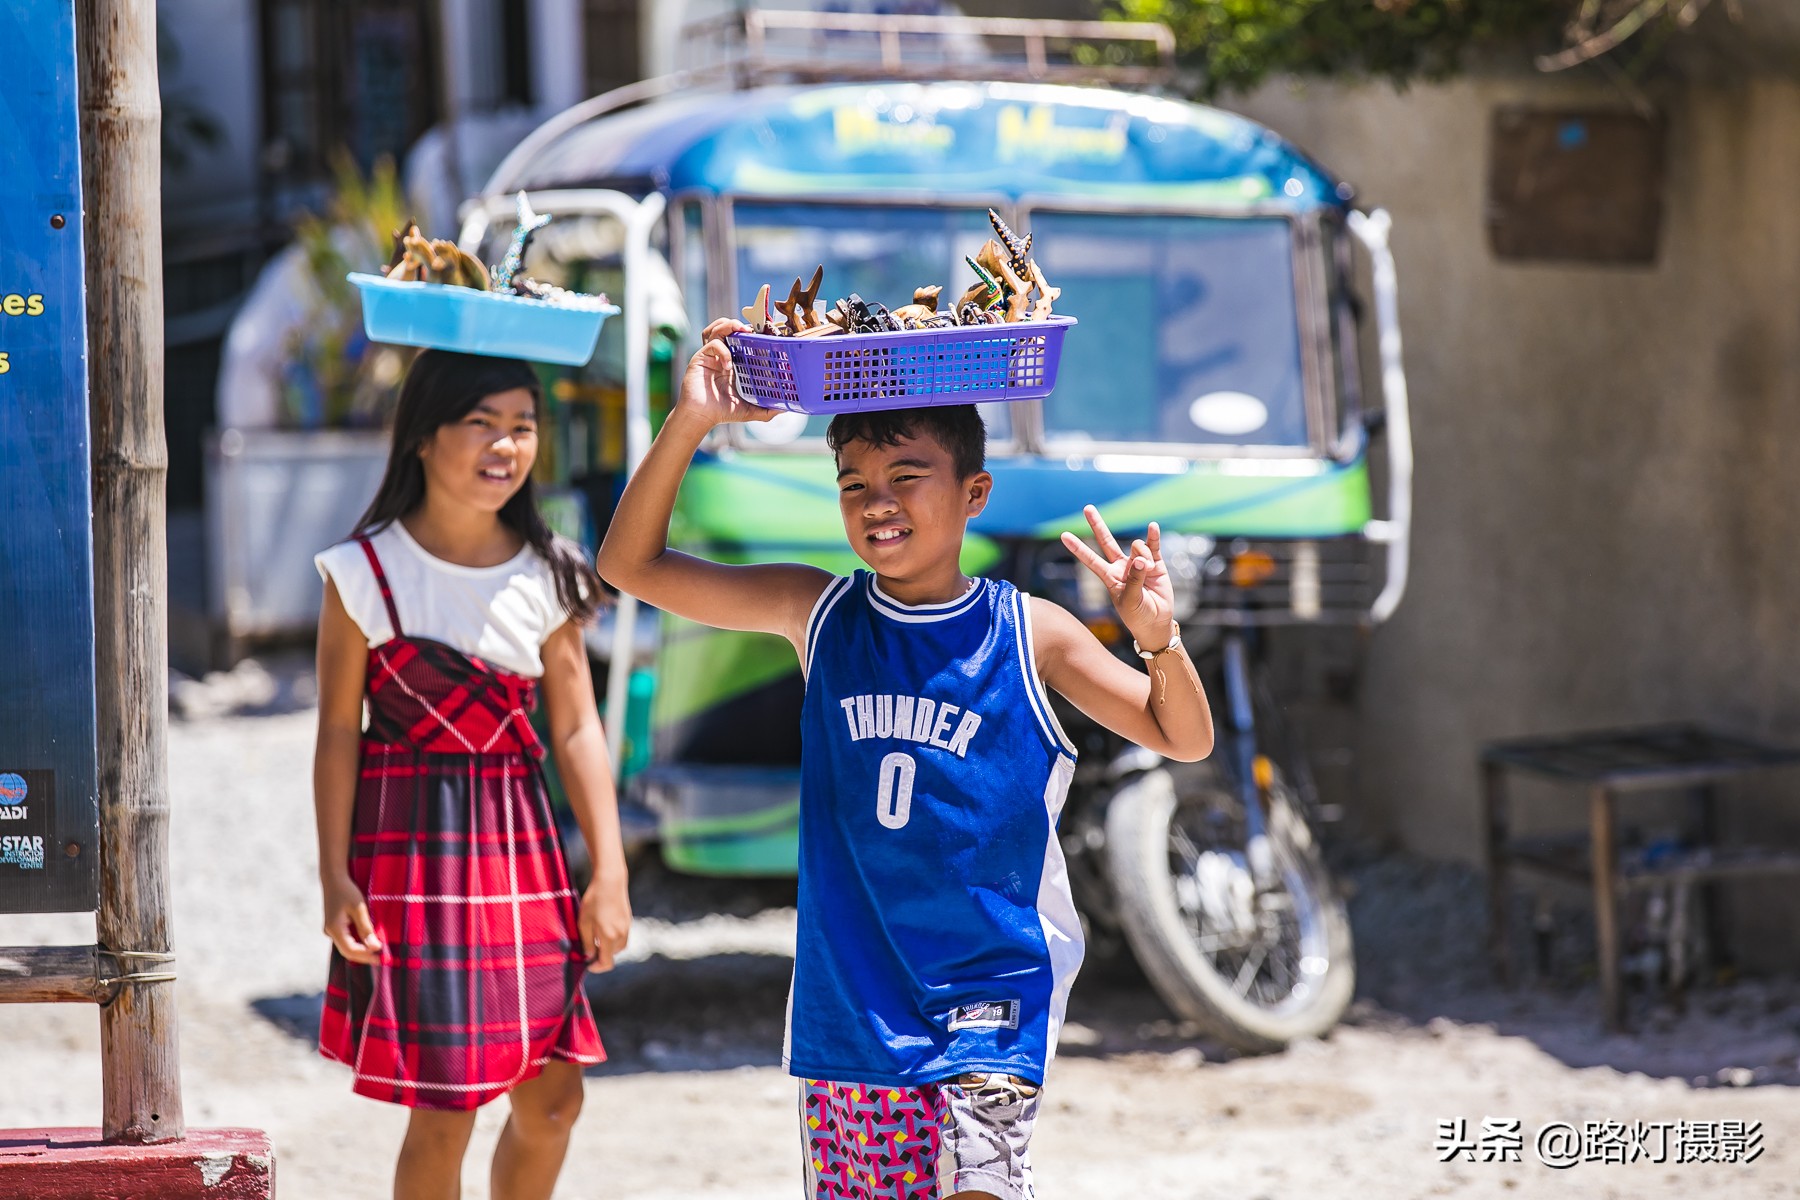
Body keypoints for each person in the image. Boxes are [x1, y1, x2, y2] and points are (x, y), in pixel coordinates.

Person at [597, 320, 1215, 1200]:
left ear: (975, 492)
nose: (877, 501)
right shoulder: (816, 613)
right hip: (849, 1008)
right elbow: (630, 563)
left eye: (907, 477)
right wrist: (693, 418)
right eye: (854, 484)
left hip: (988, 1002)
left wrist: (1160, 641)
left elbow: (1182, 735)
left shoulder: (1029, 632)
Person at [312, 350, 632, 1200]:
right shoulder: (362, 571)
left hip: (521, 854)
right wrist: (333, 875)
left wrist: (610, 871)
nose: (505, 445)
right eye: (480, 423)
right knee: (445, 1109)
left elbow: (575, 727)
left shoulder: (552, 569)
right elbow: (339, 730)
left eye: (522, 427)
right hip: (414, 860)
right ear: (422, 436)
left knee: (555, 1098)